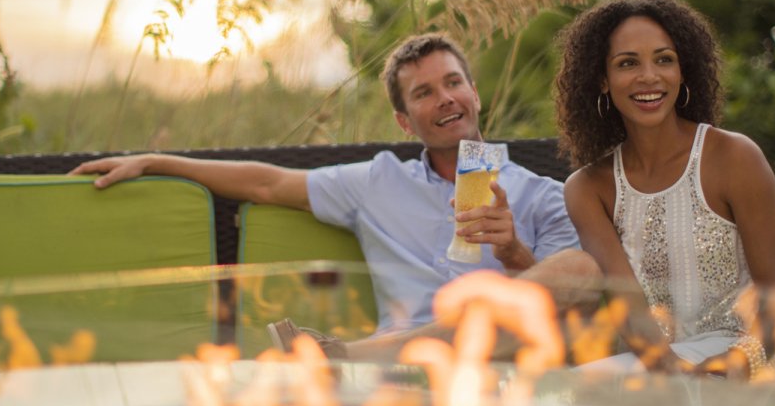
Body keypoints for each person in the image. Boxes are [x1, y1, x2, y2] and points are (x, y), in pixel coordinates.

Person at [70, 33, 598, 358]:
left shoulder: (542, 195)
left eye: (453, 82)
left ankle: (343, 356)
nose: (445, 99)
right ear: (403, 120)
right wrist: (154, 160)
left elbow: (565, 303)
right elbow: (267, 182)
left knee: (575, 271)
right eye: (423, 93)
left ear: (474, 94)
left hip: (498, 359)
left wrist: (512, 255)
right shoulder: (376, 181)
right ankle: (370, 356)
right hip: (405, 373)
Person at [555, 0, 775, 385]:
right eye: (627, 63)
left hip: (756, 359)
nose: (649, 77)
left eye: (664, 59)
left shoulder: (736, 158)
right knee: (559, 396)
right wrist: (675, 376)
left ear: (683, 70)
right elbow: (632, 313)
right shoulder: (588, 188)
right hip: (657, 364)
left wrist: (731, 368)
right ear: (602, 80)